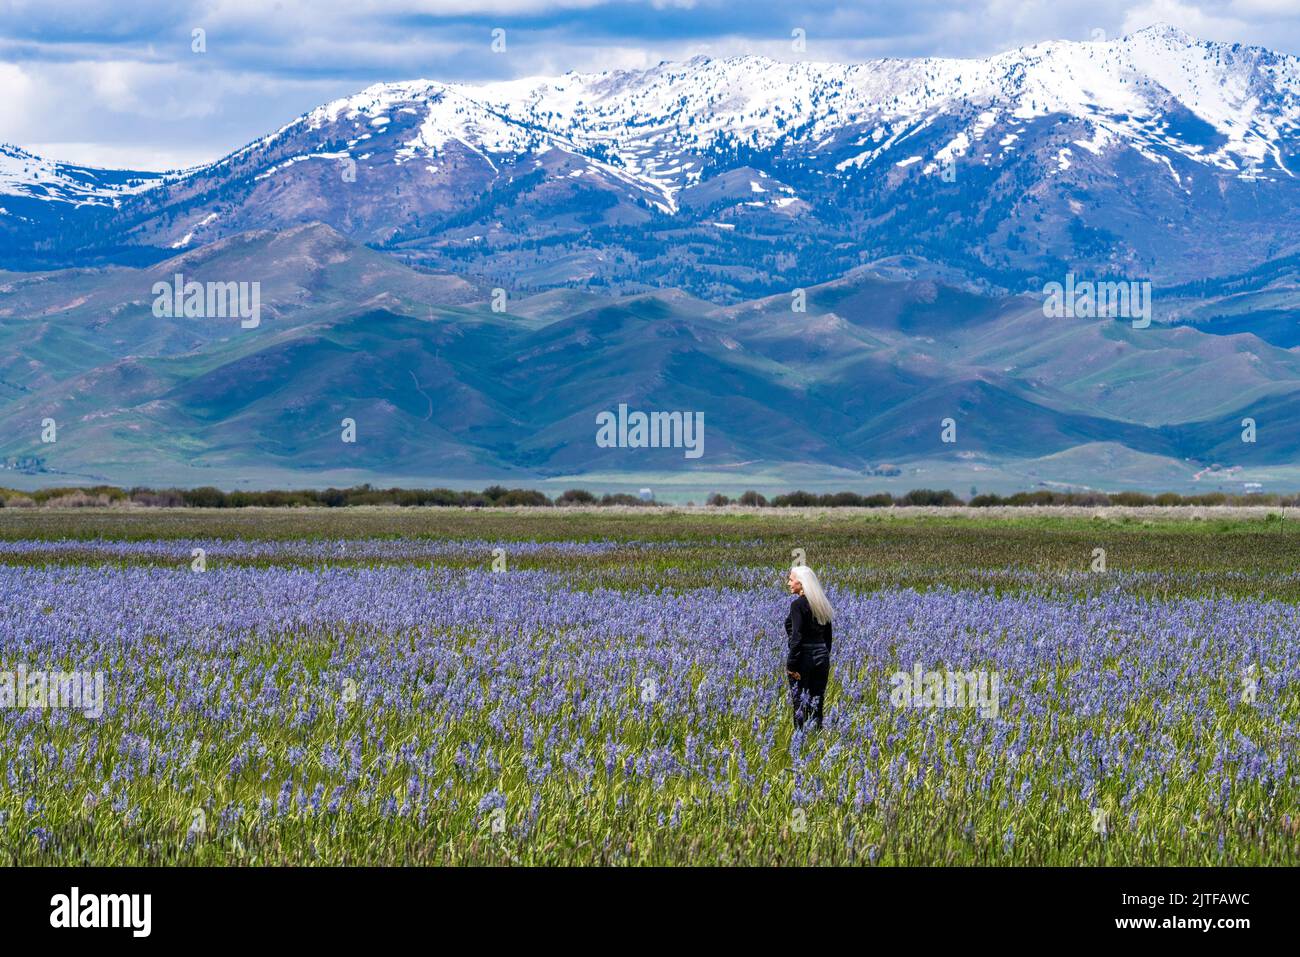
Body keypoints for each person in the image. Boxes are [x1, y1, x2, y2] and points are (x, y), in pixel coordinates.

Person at [785, 564, 833, 730]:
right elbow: (828, 637)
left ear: (801, 583)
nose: (789, 583)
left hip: (803, 657)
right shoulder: (821, 603)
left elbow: (797, 636)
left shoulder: (797, 605)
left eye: (791, 580)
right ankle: (817, 738)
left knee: (799, 703)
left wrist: (791, 664)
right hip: (822, 656)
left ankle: (800, 740)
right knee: (817, 702)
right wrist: (823, 655)